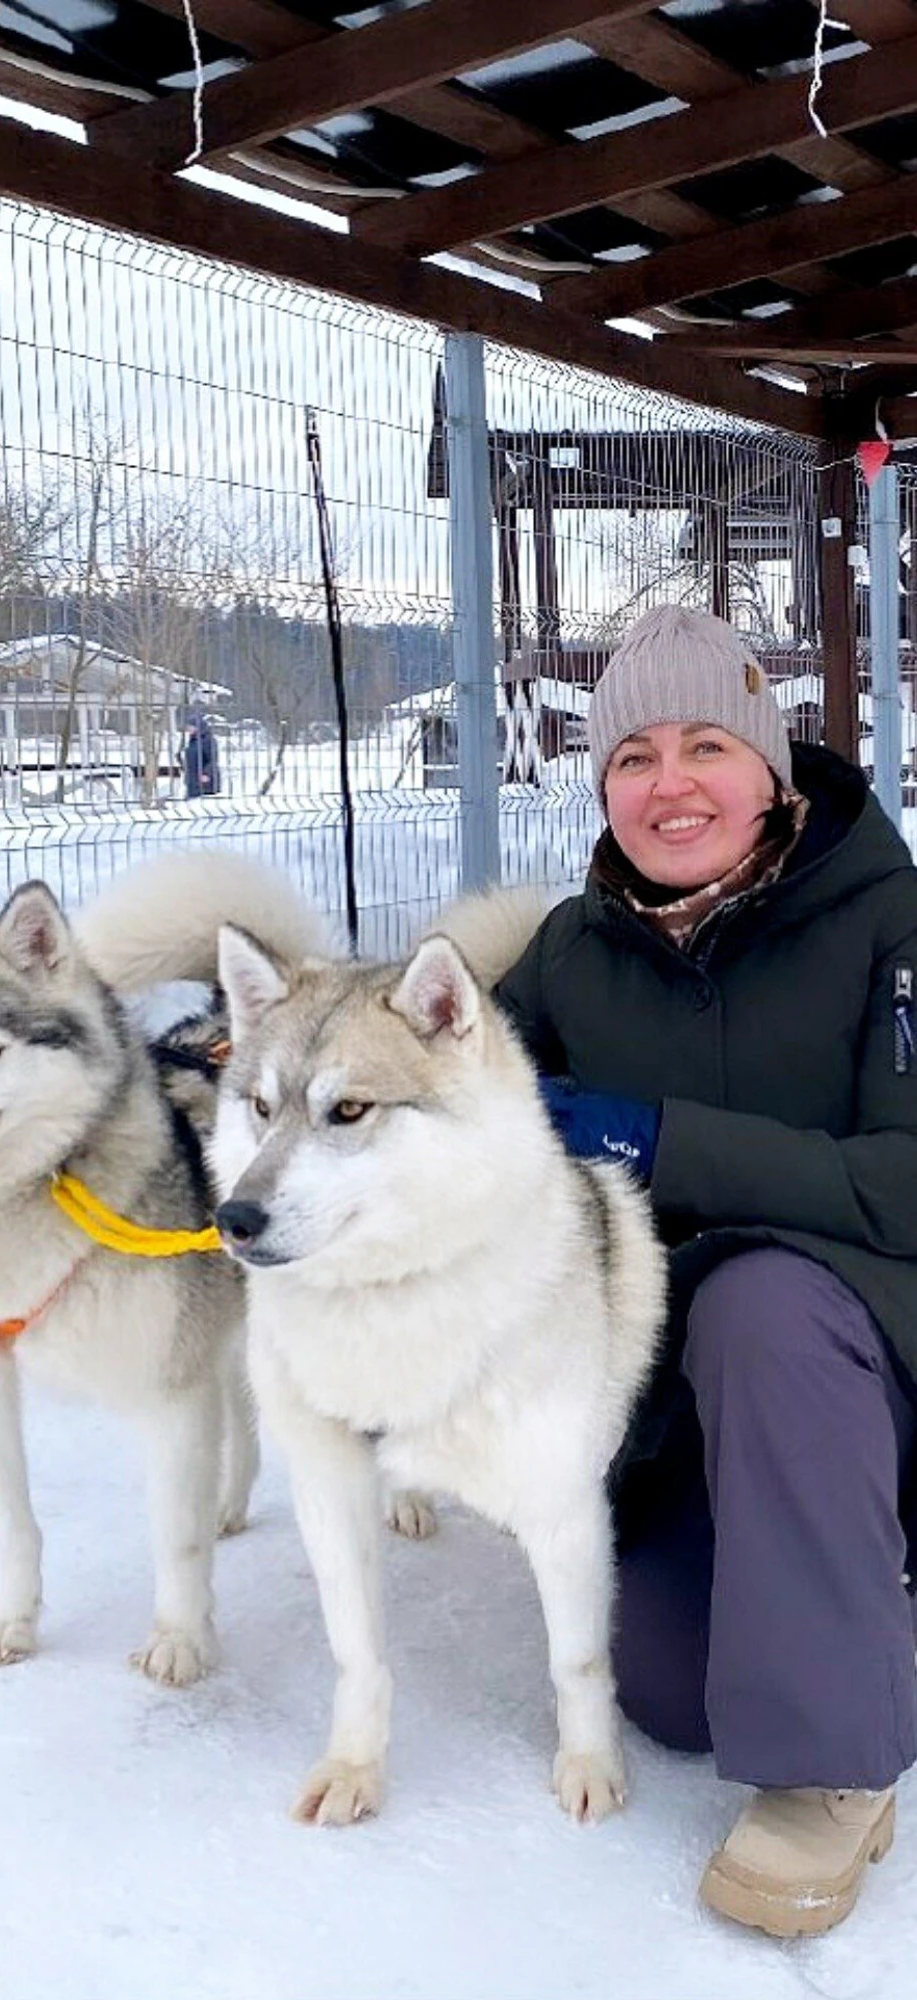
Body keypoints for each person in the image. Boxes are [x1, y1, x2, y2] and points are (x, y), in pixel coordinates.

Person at [495, 604, 917, 1938]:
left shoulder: (888, 922)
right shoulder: (575, 947)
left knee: (760, 1295)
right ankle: (847, 1603)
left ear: (772, 769)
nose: (669, 784)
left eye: (707, 747)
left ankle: (830, 1767)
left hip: (871, 1355)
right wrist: (256, 1069)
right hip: (686, 1404)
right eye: (633, 757)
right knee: (671, 1692)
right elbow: (429, 1076)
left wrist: (664, 1144)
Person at [184, 710, 220, 799]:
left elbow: (212, 759)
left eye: (191, 726)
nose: (188, 729)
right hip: (193, 778)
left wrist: (206, 773)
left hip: (204, 779)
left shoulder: (208, 740)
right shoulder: (193, 741)